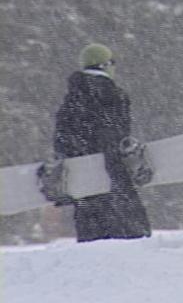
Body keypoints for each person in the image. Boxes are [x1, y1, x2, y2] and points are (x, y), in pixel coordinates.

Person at [53, 43, 152, 242]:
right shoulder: (114, 95)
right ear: (106, 65)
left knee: (93, 244)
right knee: (130, 241)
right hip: (113, 181)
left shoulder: (70, 100)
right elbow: (114, 136)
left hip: (84, 185)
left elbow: (61, 140)